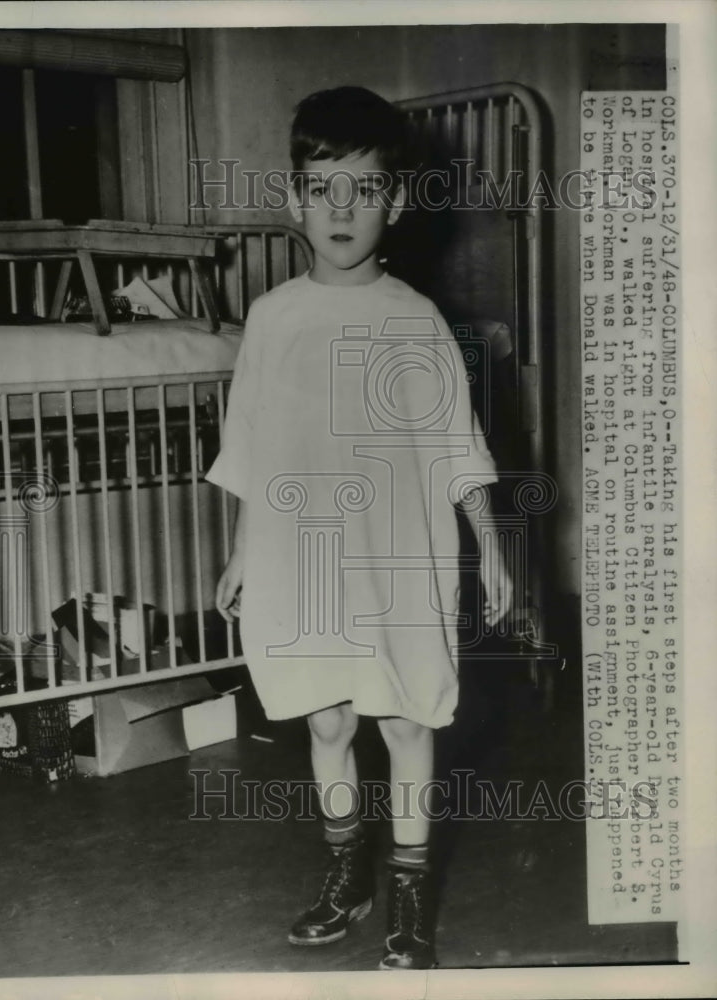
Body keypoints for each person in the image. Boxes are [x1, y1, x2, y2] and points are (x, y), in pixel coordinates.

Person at [207, 85, 513, 971]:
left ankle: (409, 901)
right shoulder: (272, 318)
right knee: (329, 724)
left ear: (398, 201)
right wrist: (241, 551)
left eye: (365, 188)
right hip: (304, 560)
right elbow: (252, 443)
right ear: (293, 199)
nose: (342, 210)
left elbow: (457, 446)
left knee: (409, 722)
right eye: (322, 188)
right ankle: (347, 877)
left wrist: (491, 548)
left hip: (399, 558)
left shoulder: (417, 320)